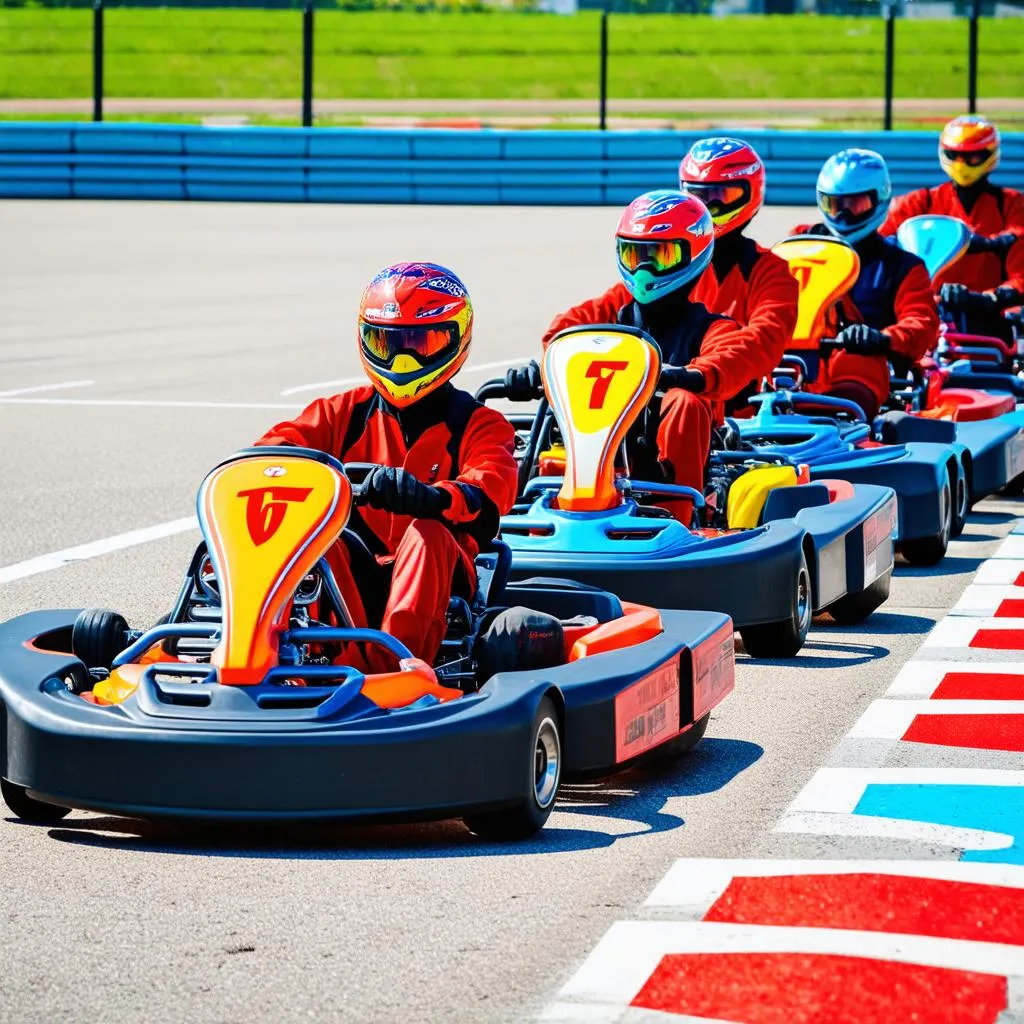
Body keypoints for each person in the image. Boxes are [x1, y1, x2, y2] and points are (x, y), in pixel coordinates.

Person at [257, 262, 518, 671]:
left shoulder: (480, 423)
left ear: (456, 338)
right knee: (319, 538)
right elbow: (270, 455)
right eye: (387, 343)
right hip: (353, 574)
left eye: (421, 342)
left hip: (438, 578)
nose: (401, 360)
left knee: (427, 533)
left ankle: (394, 669)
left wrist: (429, 497)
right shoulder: (342, 413)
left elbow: (489, 491)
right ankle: (269, 655)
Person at [511, 190, 759, 523]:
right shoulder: (613, 315)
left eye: (660, 255)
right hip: (602, 441)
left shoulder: (711, 328)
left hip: (671, 460)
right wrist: (545, 369)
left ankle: (677, 516)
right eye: (634, 254)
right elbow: (562, 334)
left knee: (684, 402)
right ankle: (546, 507)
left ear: (694, 254)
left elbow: (731, 357)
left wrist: (684, 375)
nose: (645, 268)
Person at [791, 148, 939, 420]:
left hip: (865, 363)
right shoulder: (801, 244)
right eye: (835, 205)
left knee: (855, 365)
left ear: (879, 199)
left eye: (855, 204)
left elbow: (921, 324)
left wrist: (880, 338)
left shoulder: (902, 265)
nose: (844, 215)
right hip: (794, 363)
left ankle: (837, 421)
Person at [678, 137, 798, 403]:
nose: (710, 208)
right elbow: (614, 304)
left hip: (736, 410)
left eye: (721, 196)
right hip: (664, 396)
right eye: (700, 197)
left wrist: (702, 373)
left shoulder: (772, 272)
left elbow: (763, 339)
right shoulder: (674, 260)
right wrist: (564, 333)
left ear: (749, 193)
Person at [881, 115, 1024, 335]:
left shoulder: (1012, 205)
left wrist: (988, 297)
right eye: (955, 156)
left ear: (990, 155)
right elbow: (877, 248)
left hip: (990, 318)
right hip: (924, 316)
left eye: (972, 157)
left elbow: (1021, 274)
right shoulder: (919, 203)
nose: (961, 165)